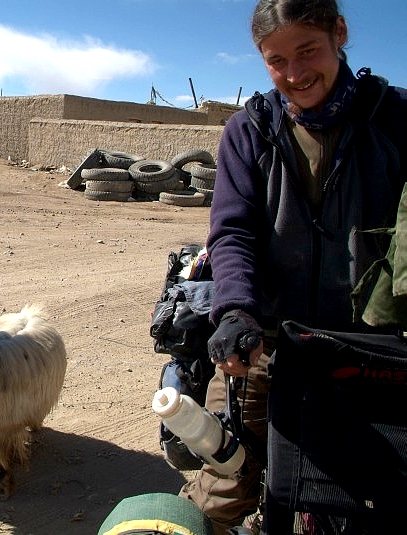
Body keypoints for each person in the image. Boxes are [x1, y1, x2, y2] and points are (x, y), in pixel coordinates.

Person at [178, 1, 407, 532]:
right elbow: (232, 232)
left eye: (308, 50)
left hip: (370, 352)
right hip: (268, 342)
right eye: (277, 60)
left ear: (339, 32)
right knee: (223, 485)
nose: (296, 73)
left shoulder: (395, 119)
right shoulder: (249, 131)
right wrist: (235, 311)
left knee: (367, 495)